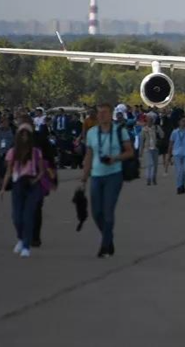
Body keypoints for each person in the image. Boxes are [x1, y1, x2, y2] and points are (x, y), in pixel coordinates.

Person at [81, 103, 135, 258]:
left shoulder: (120, 131)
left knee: (108, 211)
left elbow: (130, 152)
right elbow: (89, 155)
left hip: (114, 174)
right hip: (97, 175)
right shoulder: (92, 133)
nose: (101, 115)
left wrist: (115, 158)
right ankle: (108, 238)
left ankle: (104, 245)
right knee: (96, 212)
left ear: (110, 114)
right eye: (99, 113)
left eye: (104, 112)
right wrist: (85, 176)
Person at [0, 124, 45, 258]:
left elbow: (41, 171)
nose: (24, 137)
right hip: (18, 184)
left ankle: (26, 246)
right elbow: (8, 171)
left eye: (27, 134)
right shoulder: (13, 152)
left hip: (31, 184)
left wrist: (35, 180)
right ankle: (20, 238)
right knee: (17, 217)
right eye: (22, 134)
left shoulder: (36, 152)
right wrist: (3, 188)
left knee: (28, 216)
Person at [168, 117, 185, 194]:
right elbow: (171, 143)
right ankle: (179, 186)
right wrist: (169, 155)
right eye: (183, 121)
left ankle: (182, 184)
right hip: (177, 154)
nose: (184, 123)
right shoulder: (175, 132)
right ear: (179, 122)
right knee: (179, 171)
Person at [139, 116, 162, 186]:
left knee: (155, 165)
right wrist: (140, 151)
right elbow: (142, 141)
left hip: (155, 148)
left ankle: (154, 178)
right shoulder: (144, 130)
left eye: (150, 121)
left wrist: (158, 131)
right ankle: (148, 179)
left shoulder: (156, 128)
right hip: (147, 148)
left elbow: (162, 135)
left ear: (152, 121)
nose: (149, 122)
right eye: (148, 121)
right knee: (149, 164)